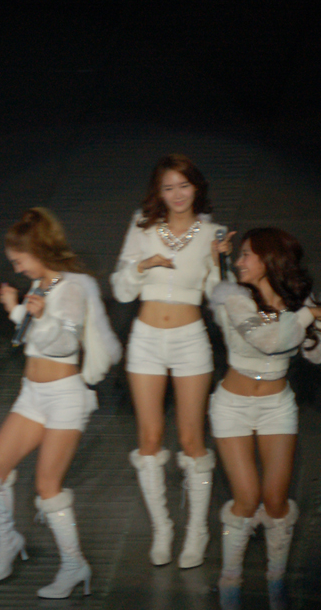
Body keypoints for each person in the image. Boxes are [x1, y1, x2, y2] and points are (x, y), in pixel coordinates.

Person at [0, 208, 120, 598]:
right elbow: (32, 337)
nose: (17, 268)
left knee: (47, 485)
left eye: (19, 260)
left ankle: (74, 565)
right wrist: (19, 311)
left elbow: (64, 343)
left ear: (38, 251)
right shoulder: (38, 286)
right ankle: (8, 541)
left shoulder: (71, 288)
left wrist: (28, 314)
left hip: (64, 398)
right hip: (32, 394)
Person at [111, 154, 232, 568]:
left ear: (196, 187)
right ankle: (162, 529)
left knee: (191, 438)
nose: (177, 194)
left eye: (184, 185)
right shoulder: (142, 227)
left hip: (189, 338)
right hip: (145, 338)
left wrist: (219, 263)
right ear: (158, 192)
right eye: (168, 187)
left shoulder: (213, 233)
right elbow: (121, 289)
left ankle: (196, 531)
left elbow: (221, 298)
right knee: (149, 438)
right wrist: (144, 265)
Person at [207, 228, 320, 610]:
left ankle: (276, 583)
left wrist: (315, 323)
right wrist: (307, 315)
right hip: (232, 406)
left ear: (269, 260)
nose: (240, 261)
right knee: (246, 497)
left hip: (277, 407)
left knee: (274, 501)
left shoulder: (298, 300)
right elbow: (270, 341)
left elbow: (314, 353)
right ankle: (230, 581)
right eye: (238, 255)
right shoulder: (234, 296)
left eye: (246, 255)